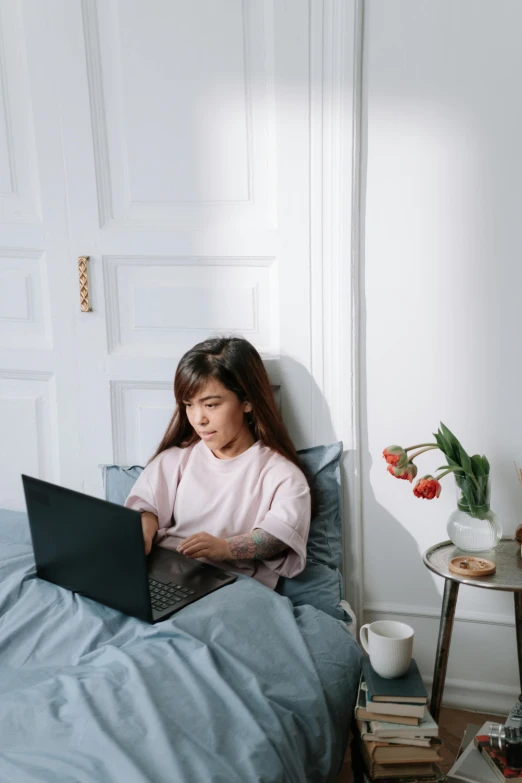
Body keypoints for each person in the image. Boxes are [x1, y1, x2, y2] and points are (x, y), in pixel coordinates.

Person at [124, 336, 312, 589]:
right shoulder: (174, 459)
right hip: (162, 575)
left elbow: (276, 537)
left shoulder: (281, 475)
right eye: (189, 405)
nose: (198, 418)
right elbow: (146, 506)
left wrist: (225, 548)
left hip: (232, 585)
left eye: (211, 405)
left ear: (247, 401)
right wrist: (143, 533)